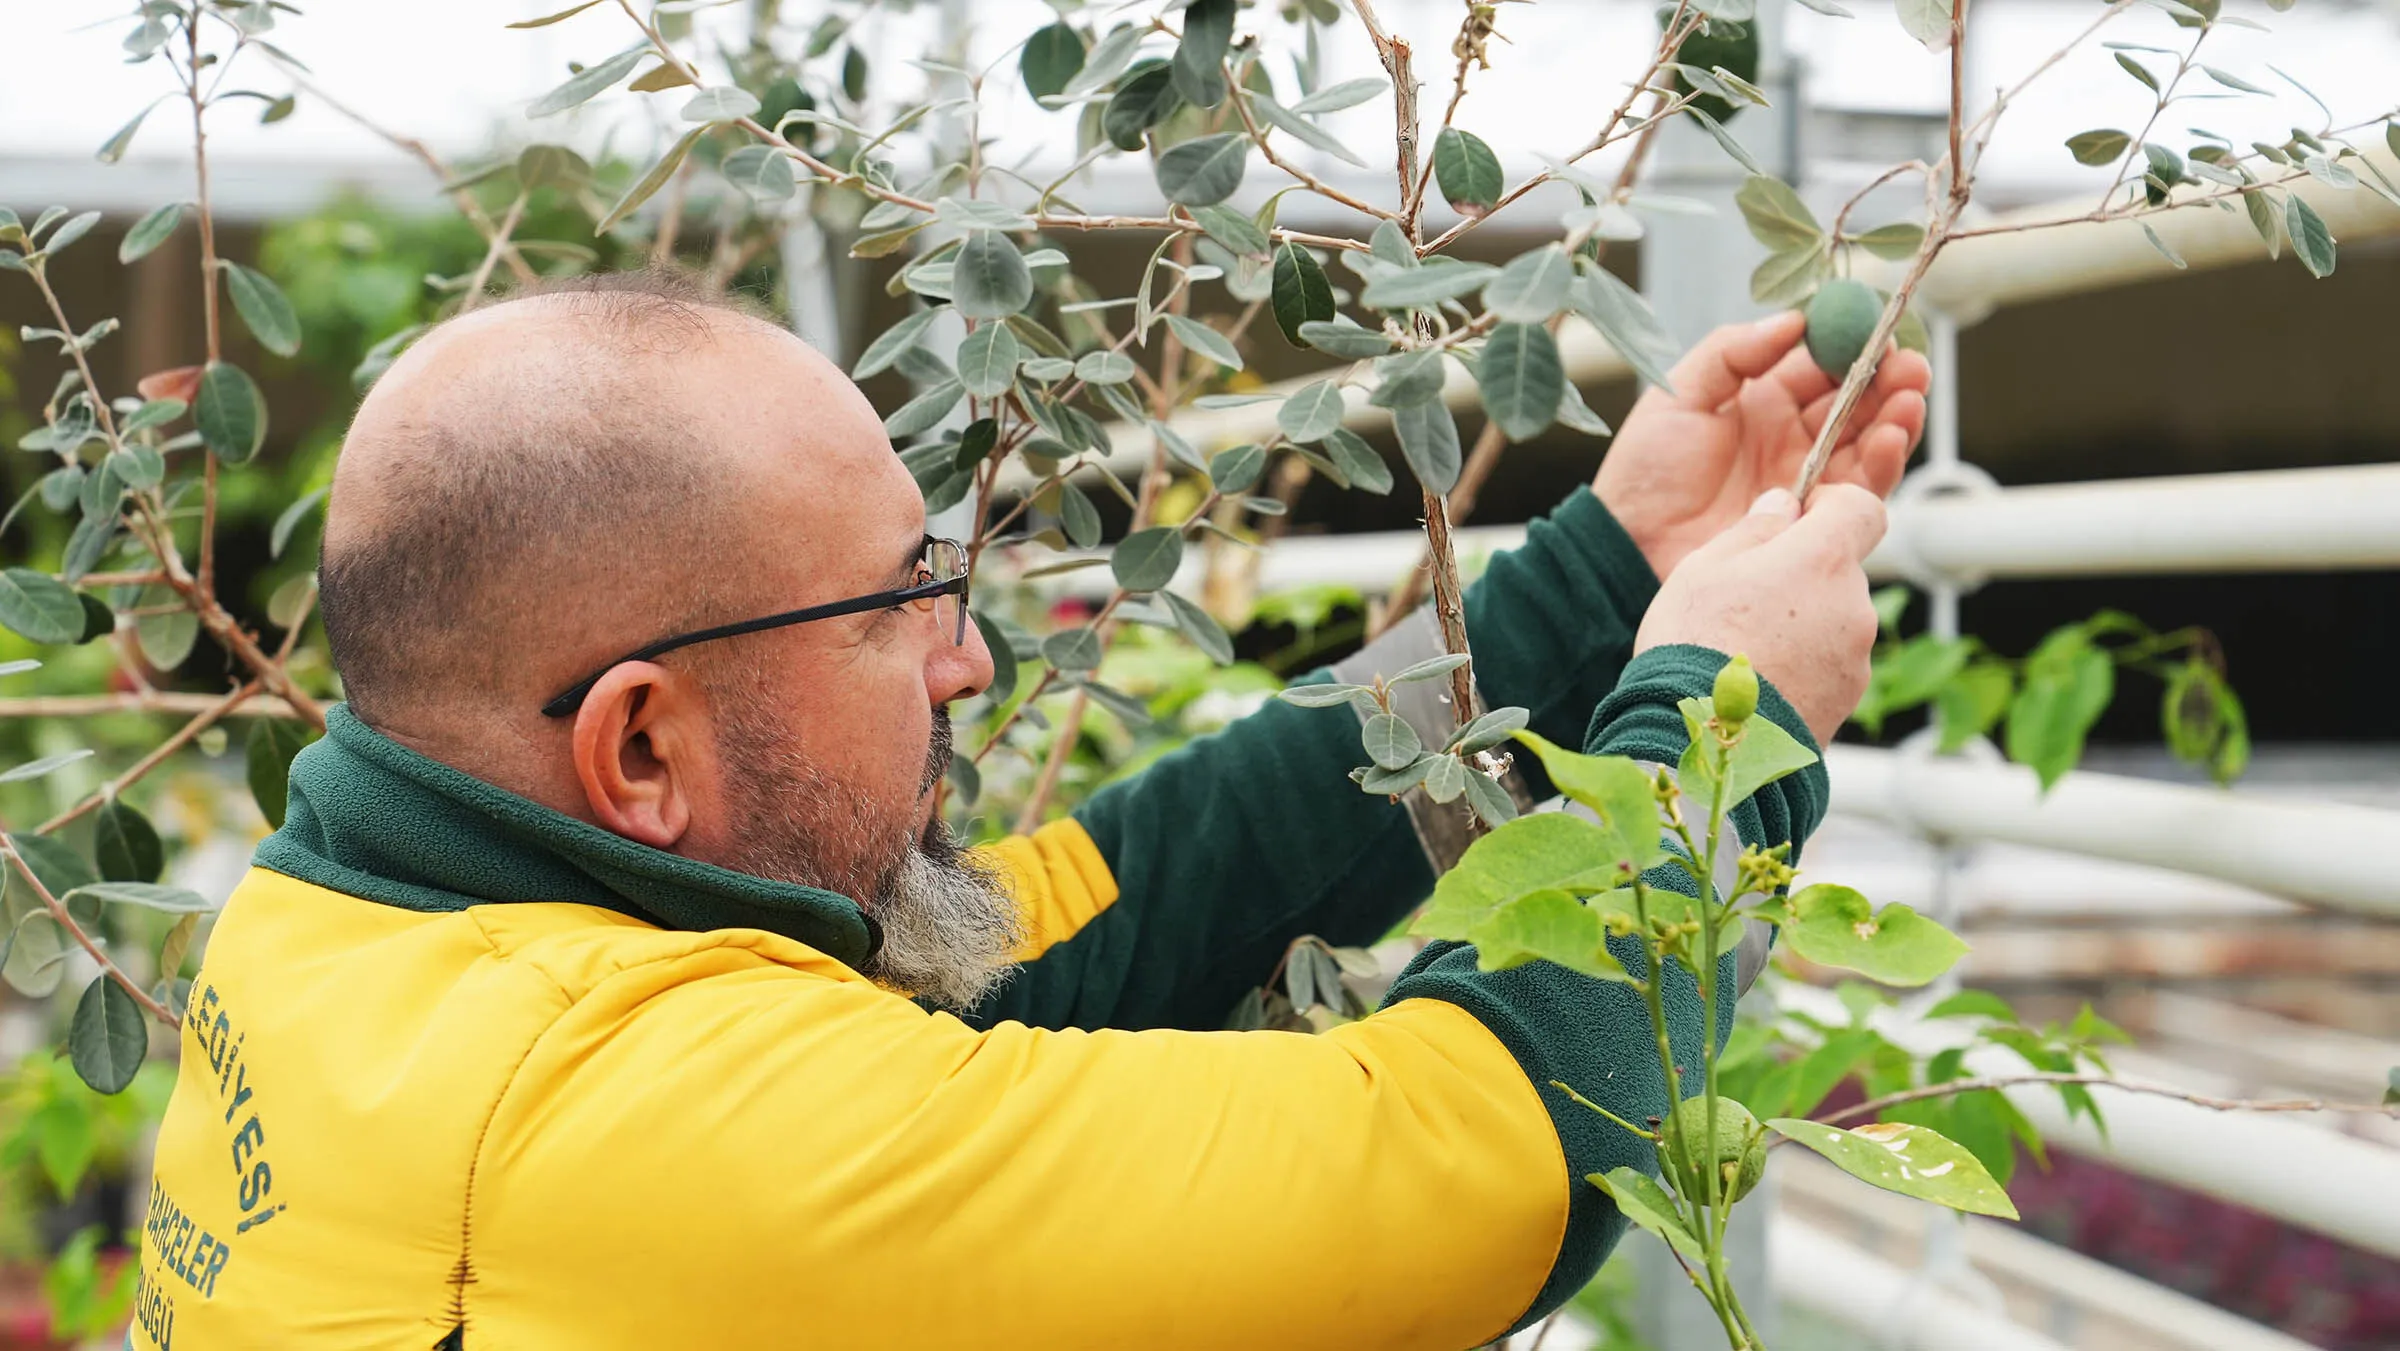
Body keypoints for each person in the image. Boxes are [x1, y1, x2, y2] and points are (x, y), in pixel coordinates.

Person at [139, 272, 1925, 1349]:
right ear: (640, 754)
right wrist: (1725, 725)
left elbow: (1116, 903)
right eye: (888, 602)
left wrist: (1608, 573)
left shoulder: (359, 934)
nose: (965, 654)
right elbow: (1476, 1169)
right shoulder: (636, 1134)